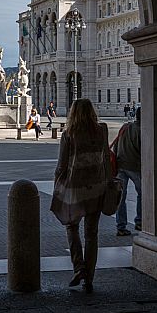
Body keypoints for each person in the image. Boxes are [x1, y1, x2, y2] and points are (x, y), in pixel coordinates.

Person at [51, 99, 111, 293]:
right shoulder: (102, 130)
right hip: (97, 187)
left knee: (71, 225)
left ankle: (79, 267)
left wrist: (57, 184)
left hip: (76, 187)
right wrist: (109, 180)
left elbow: (61, 165)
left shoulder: (69, 134)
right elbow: (106, 158)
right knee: (92, 234)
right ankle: (89, 278)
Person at [114, 106, 141, 236]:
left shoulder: (125, 127)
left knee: (120, 197)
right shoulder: (141, 130)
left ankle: (121, 226)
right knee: (143, 194)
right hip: (134, 167)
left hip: (120, 165)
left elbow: (116, 145)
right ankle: (140, 221)